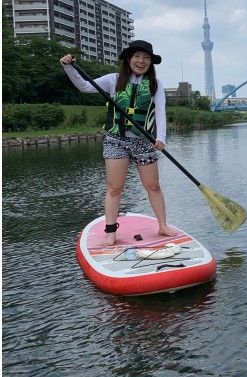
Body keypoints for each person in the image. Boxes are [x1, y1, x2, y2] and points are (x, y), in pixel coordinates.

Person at [60, 40, 177, 246]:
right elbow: (84, 86)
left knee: (153, 186)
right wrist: (68, 67)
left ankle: (163, 225)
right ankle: (111, 232)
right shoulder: (114, 80)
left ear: (151, 62)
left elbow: (160, 113)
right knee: (115, 188)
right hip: (116, 140)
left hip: (144, 141)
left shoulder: (155, 85)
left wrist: (161, 138)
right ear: (129, 59)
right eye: (137, 57)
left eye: (146, 58)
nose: (141, 61)